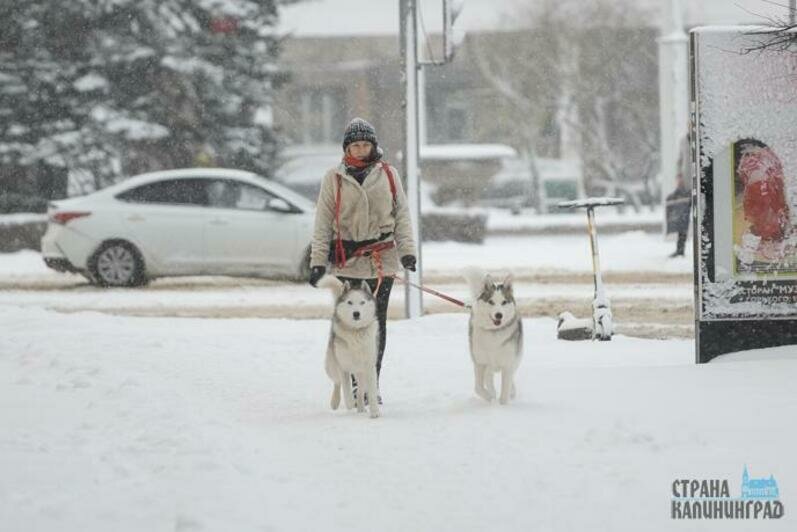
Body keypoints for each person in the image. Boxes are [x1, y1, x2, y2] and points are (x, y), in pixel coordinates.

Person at [308, 117, 417, 404]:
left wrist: (407, 251)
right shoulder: (333, 178)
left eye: (365, 144)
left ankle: (371, 384)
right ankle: (353, 381)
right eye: (355, 145)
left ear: (373, 146)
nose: (360, 150)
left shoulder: (389, 175)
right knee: (350, 324)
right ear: (347, 148)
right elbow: (322, 222)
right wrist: (318, 261)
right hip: (348, 260)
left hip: (383, 258)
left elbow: (403, 216)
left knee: (375, 323)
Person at [666, 136, 692, 257]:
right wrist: (679, 176)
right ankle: (680, 249)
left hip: (701, 185)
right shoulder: (684, 141)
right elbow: (680, 160)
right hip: (685, 186)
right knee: (683, 218)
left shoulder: (703, 137)